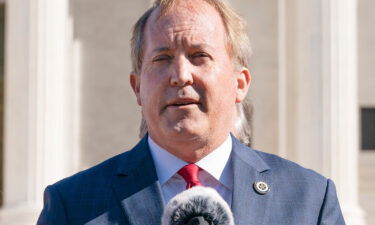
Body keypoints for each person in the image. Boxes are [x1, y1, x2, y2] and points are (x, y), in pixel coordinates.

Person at [37, 0, 345, 224]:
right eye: (162, 58)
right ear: (137, 88)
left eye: (200, 56)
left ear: (240, 83)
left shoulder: (310, 200)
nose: (181, 75)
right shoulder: (72, 206)